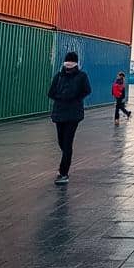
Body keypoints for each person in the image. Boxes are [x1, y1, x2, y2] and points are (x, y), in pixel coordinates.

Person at [47, 51, 91, 185]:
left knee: (67, 143)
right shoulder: (58, 76)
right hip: (59, 113)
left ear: (76, 64)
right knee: (61, 141)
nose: (68, 67)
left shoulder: (82, 76)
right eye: (67, 64)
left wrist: (75, 98)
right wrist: (61, 97)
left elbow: (87, 90)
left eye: (71, 65)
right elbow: (51, 92)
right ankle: (66, 160)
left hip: (73, 115)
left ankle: (63, 172)